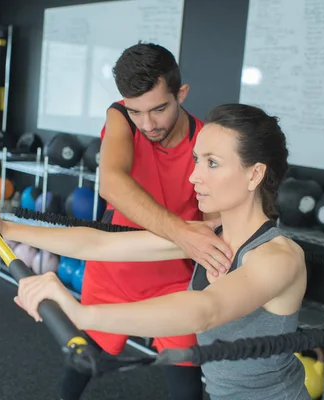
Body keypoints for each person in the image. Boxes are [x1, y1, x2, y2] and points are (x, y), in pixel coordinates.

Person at [0, 103, 311, 400]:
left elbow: (206, 309)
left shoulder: (278, 257)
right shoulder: (207, 237)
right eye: (197, 160)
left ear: (254, 174)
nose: (194, 176)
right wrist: (8, 228)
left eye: (212, 163)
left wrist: (83, 315)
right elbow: (99, 244)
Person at [59, 42, 234, 399]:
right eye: (136, 111)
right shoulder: (120, 117)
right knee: (81, 365)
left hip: (173, 282)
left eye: (159, 109)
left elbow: (214, 219)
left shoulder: (206, 141)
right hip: (114, 273)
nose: (148, 123)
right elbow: (111, 184)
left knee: (186, 388)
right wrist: (183, 233)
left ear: (181, 94)